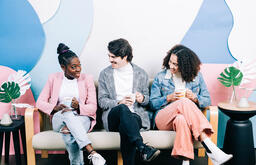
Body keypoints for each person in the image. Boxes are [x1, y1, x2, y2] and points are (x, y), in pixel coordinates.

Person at [149, 45, 233, 165]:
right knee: (184, 102)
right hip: (163, 119)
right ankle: (211, 147)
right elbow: (152, 104)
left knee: (181, 119)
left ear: (185, 66)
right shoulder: (161, 77)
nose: (171, 66)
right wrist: (168, 98)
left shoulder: (197, 77)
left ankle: (185, 162)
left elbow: (207, 100)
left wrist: (194, 97)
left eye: (176, 64)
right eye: (170, 62)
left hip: (183, 119)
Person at [36, 43, 106, 165]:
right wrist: (55, 108)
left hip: (82, 118)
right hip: (60, 118)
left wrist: (79, 107)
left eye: (79, 65)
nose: (78, 69)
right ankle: (92, 152)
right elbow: (40, 102)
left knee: (69, 133)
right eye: (73, 67)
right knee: (67, 112)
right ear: (63, 67)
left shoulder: (87, 79)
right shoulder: (53, 78)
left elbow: (93, 107)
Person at [98, 38, 160, 165]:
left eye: (113, 57)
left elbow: (147, 100)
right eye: (109, 56)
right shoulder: (105, 74)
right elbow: (102, 101)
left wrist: (141, 98)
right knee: (122, 109)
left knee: (126, 126)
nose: (110, 60)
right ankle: (142, 147)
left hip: (135, 117)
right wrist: (119, 102)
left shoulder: (141, 73)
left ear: (125, 56)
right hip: (113, 116)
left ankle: (141, 149)